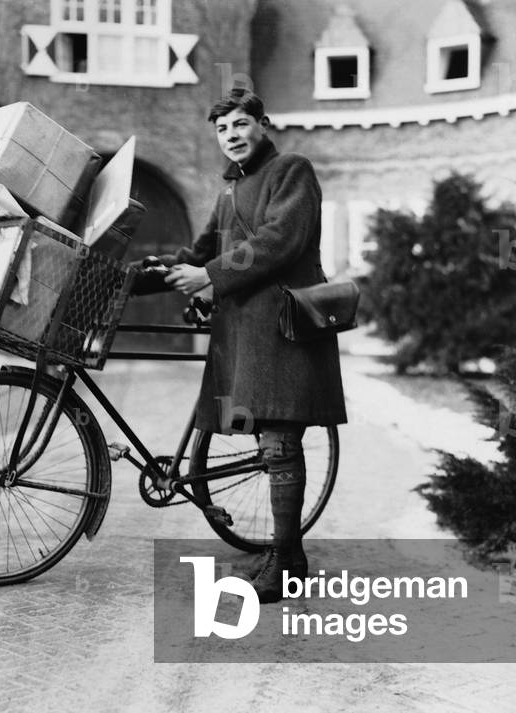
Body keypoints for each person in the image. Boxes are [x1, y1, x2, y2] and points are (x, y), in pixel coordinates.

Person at [149, 88, 348, 603]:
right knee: (268, 441)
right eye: (221, 130)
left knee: (280, 444)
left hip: (284, 330)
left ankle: (288, 563)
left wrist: (209, 275)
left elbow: (280, 240)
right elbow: (196, 253)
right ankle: (283, 554)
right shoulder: (228, 190)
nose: (231, 136)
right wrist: (138, 277)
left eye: (241, 124)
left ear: (263, 123)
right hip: (244, 334)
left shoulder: (292, 171)